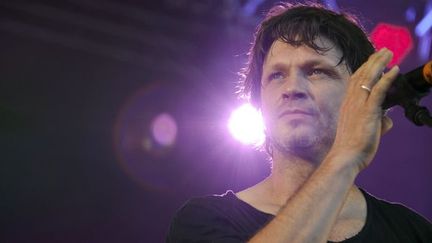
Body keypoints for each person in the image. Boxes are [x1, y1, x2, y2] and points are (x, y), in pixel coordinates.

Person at [166, 2, 432, 242]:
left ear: (362, 94)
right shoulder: (205, 221)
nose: (292, 87)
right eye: (277, 76)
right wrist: (344, 157)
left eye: (316, 71)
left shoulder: (412, 232)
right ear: (259, 102)